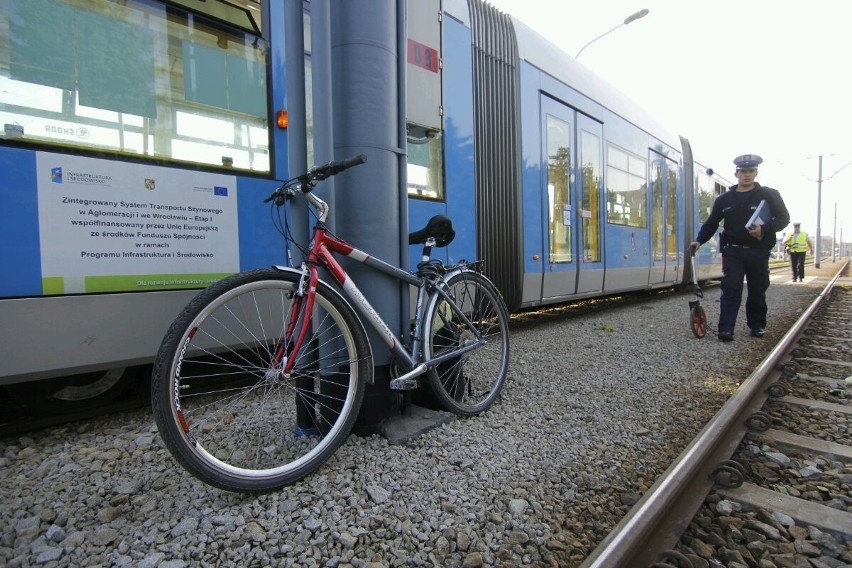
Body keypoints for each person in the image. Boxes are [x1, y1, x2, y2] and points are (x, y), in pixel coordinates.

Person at [689, 154, 790, 342]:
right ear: (736, 173)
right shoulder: (724, 200)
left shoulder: (769, 195)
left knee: (757, 290)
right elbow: (711, 223)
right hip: (733, 251)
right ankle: (726, 329)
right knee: (731, 289)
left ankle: (757, 325)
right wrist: (699, 241)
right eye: (743, 171)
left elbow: (784, 218)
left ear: (756, 173)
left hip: (758, 250)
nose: (747, 175)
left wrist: (764, 228)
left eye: (751, 171)